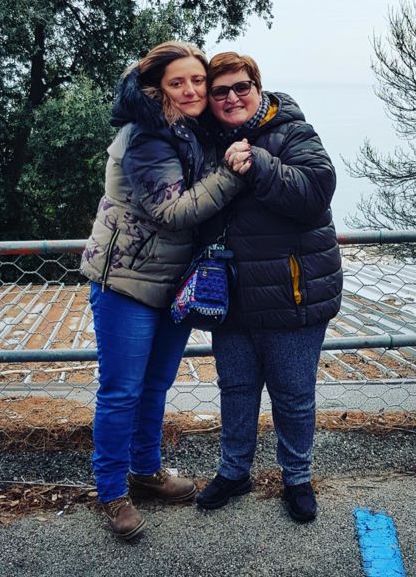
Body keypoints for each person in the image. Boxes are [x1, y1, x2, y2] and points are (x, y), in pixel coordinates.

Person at [80, 42, 250, 539]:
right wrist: (231, 175)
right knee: (121, 391)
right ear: (157, 89)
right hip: (127, 281)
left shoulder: (190, 130)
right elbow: (171, 212)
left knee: (155, 385)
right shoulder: (146, 137)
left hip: (173, 281)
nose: (192, 90)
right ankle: (112, 492)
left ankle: (146, 471)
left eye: (198, 80)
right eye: (178, 82)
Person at [195, 52, 343, 522]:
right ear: (210, 99)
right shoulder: (204, 142)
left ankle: (297, 478)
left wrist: (258, 163)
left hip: (291, 293)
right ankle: (233, 471)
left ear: (258, 88)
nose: (232, 97)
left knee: (293, 396)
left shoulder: (292, 131)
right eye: (220, 91)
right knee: (236, 390)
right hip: (231, 296)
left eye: (241, 87)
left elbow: (315, 192)